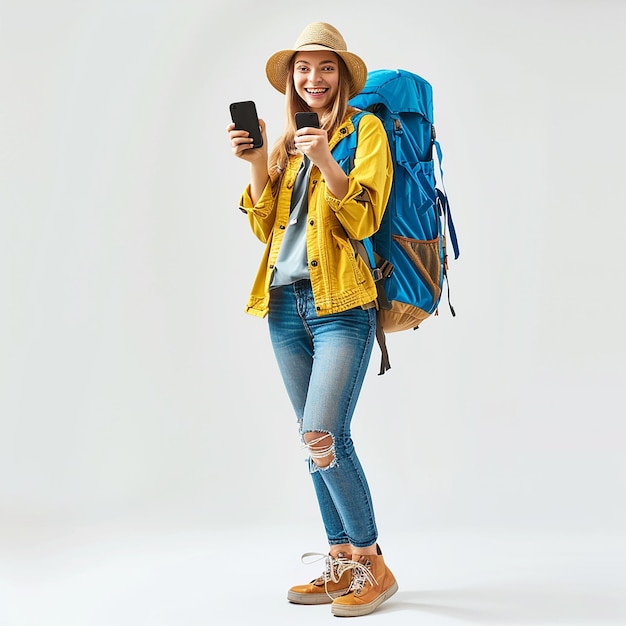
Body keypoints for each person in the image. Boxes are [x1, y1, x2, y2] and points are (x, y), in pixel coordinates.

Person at [227, 22, 397, 618]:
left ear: (343, 77)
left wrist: (326, 160)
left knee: (325, 435)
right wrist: (256, 161)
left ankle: (372, 564)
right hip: (282, 306)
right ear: (292, 79)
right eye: (304, 68)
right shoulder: (285, 141)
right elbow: (263, 227)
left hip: (341, 307)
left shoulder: (365, 131)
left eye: (326, 68)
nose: (313, 78)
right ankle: (340, 560)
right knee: (311, 442)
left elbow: (364, 219)